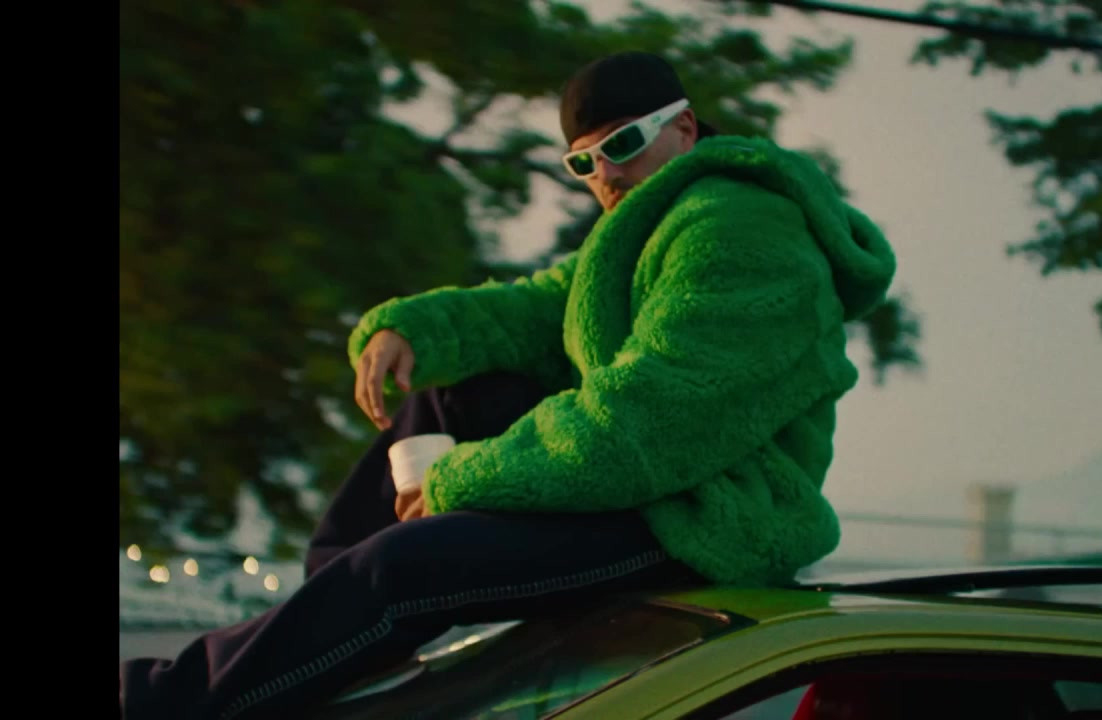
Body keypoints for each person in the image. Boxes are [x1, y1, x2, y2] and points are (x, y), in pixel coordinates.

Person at [119, 50, 897, 719]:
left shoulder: (741, 232)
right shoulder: (654, 221)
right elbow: (536, 310)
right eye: (584, 163)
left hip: (705, 519)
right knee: (449, 399)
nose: (606, 174)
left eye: (623, 145)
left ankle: (159, 703)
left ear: (685, 128)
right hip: (654, 485)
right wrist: (411, 330)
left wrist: (459, 479)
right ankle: (335, 626)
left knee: (402, 571)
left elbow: (645, 428)